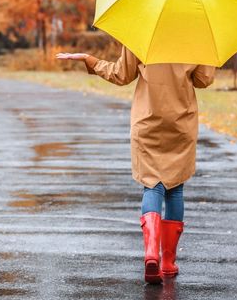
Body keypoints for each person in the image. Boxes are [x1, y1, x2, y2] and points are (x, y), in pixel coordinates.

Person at [57, 46, 215, 284]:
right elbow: (203, 80)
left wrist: (90, 60)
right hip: (181, 123)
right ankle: (168, 262)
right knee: (175, 188)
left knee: (152, 185)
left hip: (147, 122)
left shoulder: (143, 34)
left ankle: (151, 253)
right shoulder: (195, 35)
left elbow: (121, 74)